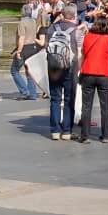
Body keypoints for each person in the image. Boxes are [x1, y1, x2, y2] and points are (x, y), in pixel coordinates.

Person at [76, 15, 108, 144]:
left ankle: (85, 135)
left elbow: (83, 53)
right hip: (104, 73)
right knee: (105, 106)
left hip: (88, 72)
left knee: (86, 106)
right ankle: (106, 135)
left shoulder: (87, 37)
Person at [44, 9, 81, 141]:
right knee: (69, 99)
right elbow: (80, 51)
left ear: (62, 15)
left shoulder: (52, 28)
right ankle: (66, 131)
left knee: (55, 98)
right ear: (74, 16)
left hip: (53, 67)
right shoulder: (77, 30)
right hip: (70, 68)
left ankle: (55, 131)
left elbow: (45, 46)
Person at [11, 27, 43, 100]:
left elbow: (21, 38)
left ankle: (25, 91)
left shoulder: (22, 23)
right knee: (29, 71)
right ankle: (32, 94)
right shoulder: (33, 22)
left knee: (14, 71)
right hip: (33, 48)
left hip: (24, 49)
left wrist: (19, 51)